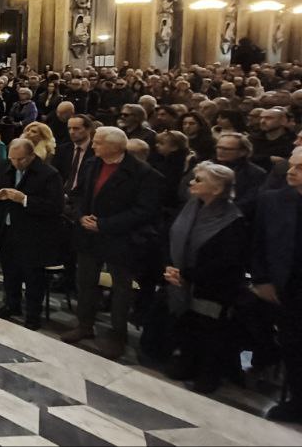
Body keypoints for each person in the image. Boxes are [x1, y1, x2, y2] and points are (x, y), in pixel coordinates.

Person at [64, 126, 160, 359]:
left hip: (121, 238)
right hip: (88, 234)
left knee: (121, 289)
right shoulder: (92, 164)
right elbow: (77, 195)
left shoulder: (143, 174)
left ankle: (118, 336)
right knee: (85, 281)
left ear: (114, 147)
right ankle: (84, 324)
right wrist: (80, 216)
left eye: (98, 142)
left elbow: (144, 211)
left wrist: (104, 225)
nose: (93, 145)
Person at [161, 161, 248, 394]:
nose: (191, 182)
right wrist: (171, 267)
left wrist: (186, 274)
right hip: (182, 280)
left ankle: (209, 373)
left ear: (217, 189)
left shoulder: (233, 220)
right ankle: (187, 361)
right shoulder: (191, 207)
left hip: (213, 287)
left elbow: (226, 261)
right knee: (188, 325)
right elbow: (172, 236)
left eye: (198, 180)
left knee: (210, 331)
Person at [0, 137, 65, 330]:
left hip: (33, 235)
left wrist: (25, 200)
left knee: (33, 278)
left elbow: (55, 206)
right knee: (10, 273)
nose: (16, 163)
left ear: (32, 156)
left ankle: (33, 315)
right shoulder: (4, 167)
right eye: (12, 159)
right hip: (7, 230)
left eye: (20, 159)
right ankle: (11, 305)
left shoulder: (49, 174)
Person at [253, 148, 302, 423]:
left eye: (300, 168)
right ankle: (298, 401)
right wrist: (262, 280)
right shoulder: (272, 200)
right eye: (291, 165)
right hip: (289, 286)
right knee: (292, 345)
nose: (290, 171)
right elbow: (258, 244)